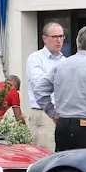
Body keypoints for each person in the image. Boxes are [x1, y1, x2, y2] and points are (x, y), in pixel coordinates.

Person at [34, 25, 86, 152]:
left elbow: (39, 90)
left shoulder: (61, 65)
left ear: (77, 43)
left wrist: (53, 114)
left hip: (62, 124)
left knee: (62, 166)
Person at [24, 22, 65, 151]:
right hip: (44, 113)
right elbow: (41, 83)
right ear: (44, 39)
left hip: (63, 114)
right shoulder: (35, 59)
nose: (59, 40)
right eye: (55, 37)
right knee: (45, 154)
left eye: (61, 36)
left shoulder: (65, 61)